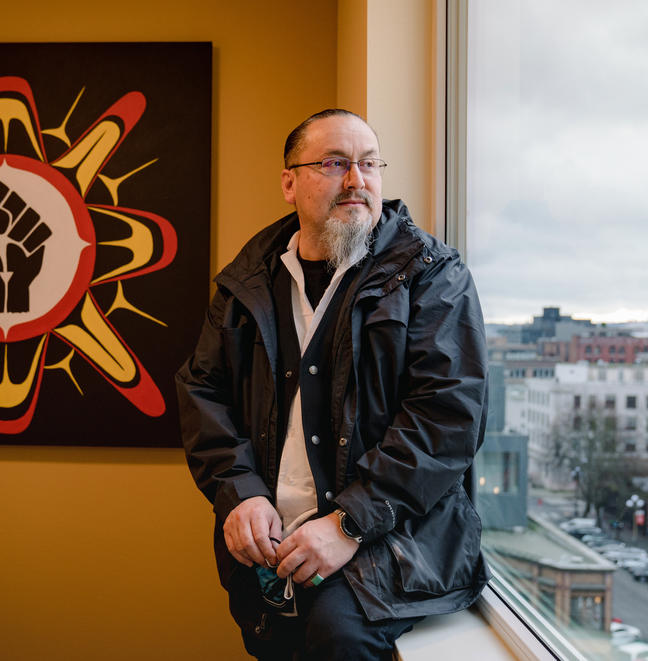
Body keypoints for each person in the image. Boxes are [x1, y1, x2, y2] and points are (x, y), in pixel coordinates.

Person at [176, 109, 489, 660]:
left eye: (369, 164)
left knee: (339, 635)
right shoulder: (244, 283)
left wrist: (347, 524)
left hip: (389, 542)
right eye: (334, 163)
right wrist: (239, 492)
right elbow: (204, 392)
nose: (356, 180)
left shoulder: (432, 274)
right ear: (289, 183)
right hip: (266, 551)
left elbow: (447, 419)